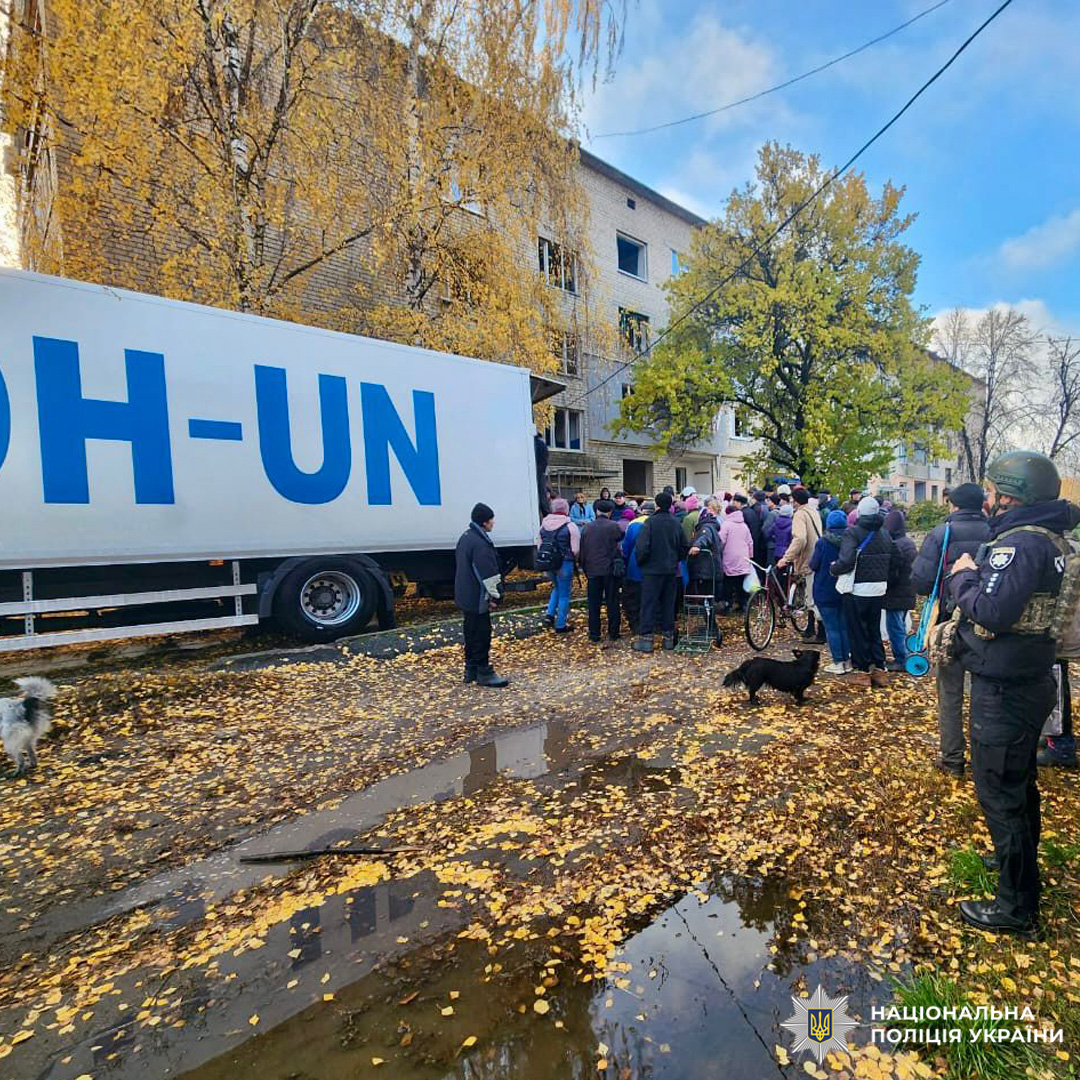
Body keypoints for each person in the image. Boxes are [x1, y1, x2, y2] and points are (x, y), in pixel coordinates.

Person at [946, 451, 1079, 934]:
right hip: (1027, 677)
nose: (988, 499)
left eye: (993, 491)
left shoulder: (1021, 543)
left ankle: (1016, 908)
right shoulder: (1051, 538)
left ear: (1011, 496)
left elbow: (993, 611)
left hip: (1006, 686)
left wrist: (962, 574)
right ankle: (1016, 865)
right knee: (1017, 785)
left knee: (1001, 792)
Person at [911, 482, 990, 779]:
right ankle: (985, 759)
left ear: (953, 505)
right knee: (985, 693)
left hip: (949, 621)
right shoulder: (996, 531)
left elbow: (921, 580)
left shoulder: (941, 533)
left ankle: (952, 758)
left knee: (950, 690)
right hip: (987, 620)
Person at [830, 496, 896, 688]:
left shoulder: (853, 532)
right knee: (874, 629)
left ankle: (862, 672)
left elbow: (846, 560)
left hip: (857, 589)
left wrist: (834, 568)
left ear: (859, 512)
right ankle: (880, 669)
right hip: (879, 588)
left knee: (858, 632)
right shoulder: (885, 533)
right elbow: (896, 559)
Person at [454, 503, 509, 687]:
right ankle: (484, 671)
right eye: (491, 519)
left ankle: (470, 669)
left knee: (470, 631)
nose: (493, 522)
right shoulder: (480, 543)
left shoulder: (466, 537)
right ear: (484, 522)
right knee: (482, 633)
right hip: (477, 596)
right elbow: (488, 574)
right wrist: (497, 596)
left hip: (465, 594)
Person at [632, 491, 689, 652]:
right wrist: (675, 559)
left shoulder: (650, 522)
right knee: (668, 604)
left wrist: (642, 563)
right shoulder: (676, 523)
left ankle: (646, 639)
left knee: (649, 604)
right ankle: (668, 639)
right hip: (670, 570)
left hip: (652, 570)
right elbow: (684, 546)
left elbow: (642, 547)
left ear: (656, 505)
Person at [779, 487, 825, 643]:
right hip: (818, 557)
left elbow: (800, 539)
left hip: (807, 560)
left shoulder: (799, 514)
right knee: (811, 595)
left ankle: (821, 633)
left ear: (796, 501)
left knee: (811, 598)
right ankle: (810, 628)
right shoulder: (813, 511)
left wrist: (787, 557)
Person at [810, 509, 851, 673]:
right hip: (845, 589)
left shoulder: (822, 543)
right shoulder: (850, 541)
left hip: (825, 589)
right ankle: (847, 660)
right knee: (844, 627)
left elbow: (814, 565)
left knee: (832, 628)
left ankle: (838, 662)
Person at [579, 499, 623, 645]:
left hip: (593, 569)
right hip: (609, 570)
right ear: (610, 512)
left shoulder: (587, 528)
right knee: (612, 602)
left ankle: (594, 634)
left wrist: (585, 569)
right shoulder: (614, 526)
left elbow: (583, 552)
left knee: (594, 604)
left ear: (596, 511)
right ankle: (614, 633)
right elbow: (619, 543)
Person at [883, 508, 916, 671]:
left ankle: (901, 660)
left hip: (896, 593)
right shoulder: (908, 543)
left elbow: (892, 572)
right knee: (900, 625)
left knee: (895, 628)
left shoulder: (896, 545)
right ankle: (903, 657)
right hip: (907, 590)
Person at [539, 497, 580, 633]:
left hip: (549, 563)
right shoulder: (570, 526)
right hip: (565, 563)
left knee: (556, 587)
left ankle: (549, 615)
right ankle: (561, 624)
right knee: (564, 594)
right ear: (566, 510)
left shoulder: (543, 525)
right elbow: (575, 549)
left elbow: (540, 546)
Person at [687, 498, 725, 645]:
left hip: (705, 571)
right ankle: (711, 625)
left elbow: (705, 538)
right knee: (707, 599)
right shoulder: (713, 527)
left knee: (705, 600)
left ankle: (712, 628)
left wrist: (696, 545)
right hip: (710, 570)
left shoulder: (706, 527)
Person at [621, 500, 654, 634]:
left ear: (641, 510)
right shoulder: (658, 522)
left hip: (635, 566)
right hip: (654, 568)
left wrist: (626, 563)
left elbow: (626, 547)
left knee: (634, 598)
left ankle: (636, 624)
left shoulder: (634, 524)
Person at [720, 501, 754, 614]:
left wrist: (718, 552)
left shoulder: (726, 524)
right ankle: (743, 605)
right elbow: (750, 542)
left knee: (728, 583)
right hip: (743, 558)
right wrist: (750, 556)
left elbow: (721, 541)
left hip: (730, 557)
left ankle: (728, 605)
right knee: (741, 583)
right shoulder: (744, 525)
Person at [733, 493, 766, 575]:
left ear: (739, 503)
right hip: (756, 541)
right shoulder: (751, 511)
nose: (734, 504)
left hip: (748, 543)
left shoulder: (742, 514)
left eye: (735, 502)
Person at [534, 432, 550, 520]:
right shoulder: (541, 444)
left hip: (537, 472)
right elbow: (545, 460)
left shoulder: (535, 444)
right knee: (542, 495)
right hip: (540, 472)